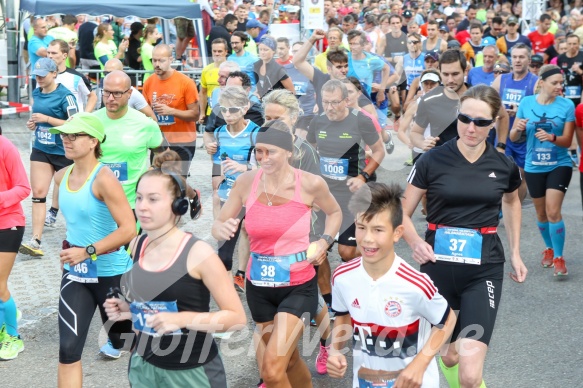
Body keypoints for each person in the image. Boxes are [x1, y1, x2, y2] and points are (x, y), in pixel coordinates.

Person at [403, 85, 527, 388]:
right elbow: (402, 213)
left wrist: (515, 252)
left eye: (481, 122)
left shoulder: (503, 164)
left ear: (494, 121)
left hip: (483, 270)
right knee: (448, 358)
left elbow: (511, 202)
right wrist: (415, 242)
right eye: (464, 119)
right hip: (437, 268)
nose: (471, 128)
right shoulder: (430, 161)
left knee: (470, 375)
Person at [212, 122, 342, 387]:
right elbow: (218, 224)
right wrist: (221, 227)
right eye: (258, 152)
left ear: (289, 152)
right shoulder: (246, 181)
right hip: (258, 287)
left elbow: (335, 213)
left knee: (270, 371)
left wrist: (325, 242)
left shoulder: (309, 184)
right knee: (289, 361)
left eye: (270, 152)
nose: (263, 158)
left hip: (297, 285)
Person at [103, 168, 245, 386]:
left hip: (192, 371)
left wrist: (181, 319)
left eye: (153, 199)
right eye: (139, 197)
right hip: (143, 366)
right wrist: (128, 310)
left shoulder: (199, 253)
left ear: (177, 206)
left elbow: (236, 319)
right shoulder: (137, 245)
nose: (142, 206)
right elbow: (152, 306)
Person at [327, 183, 456, 387]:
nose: (367, 239)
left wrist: (419, 365)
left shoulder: (416, 284)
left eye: (378, 230)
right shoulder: (342, 277)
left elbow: (448, 320)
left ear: (397, 233)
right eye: (361, 227)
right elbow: (342, 315)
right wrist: (335, 349)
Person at [50, 112, 136, 387]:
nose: (67, 140)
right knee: (68, 349)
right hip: (75, 274)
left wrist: (87, 250)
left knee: (126, 342)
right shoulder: (61, 176)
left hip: (112, 277)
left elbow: (128, 229)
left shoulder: (104, 179)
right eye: (65, 135)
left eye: (74, 136)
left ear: (93, 141)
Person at [307, 80, 386, 262]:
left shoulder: (361, 120)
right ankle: (327, 292)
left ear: (346, 101)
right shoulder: (317, 121)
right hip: (325, 192)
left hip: (351, 193)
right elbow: (310, 153)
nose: (329, 107)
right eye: (325, 102)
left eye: (334, 102)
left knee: (347, 252)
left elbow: (379, 151)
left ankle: (364, 270)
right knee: (315, 249)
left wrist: (363, 177)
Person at [510, 65, 575, 276]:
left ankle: (558, 256)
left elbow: (568, 142)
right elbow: (512, 137)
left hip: (559, 164)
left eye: (561, 83)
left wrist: (552, 138)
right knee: (540, 212)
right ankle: (548, 247)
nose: (559, 86)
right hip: (533, 166)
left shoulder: (566, 106)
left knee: (553, 211)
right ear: (542, 83)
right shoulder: (526, 103)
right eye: (554, 82)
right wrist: (517, 128)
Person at [19, 58, 78, 257]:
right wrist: (34, 124)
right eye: (36, 75)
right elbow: (38, 117)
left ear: (54, 73)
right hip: (41, 148)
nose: (39, 78)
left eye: (43, 75)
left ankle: (77, 237)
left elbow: (75, 124)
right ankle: (35, 240)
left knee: (70, 195)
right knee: (38, 192)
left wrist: (47, 120)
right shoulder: (36, 92)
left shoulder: (66, 96)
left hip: (64, 151)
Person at [94, 71, 165, 222]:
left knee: (128, 246)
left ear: (130, 93)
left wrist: (151, 174)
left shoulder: (145, 124)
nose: (111, 98)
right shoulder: (91, 122)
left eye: (117, 93)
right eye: (106, 92)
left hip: (131, 203)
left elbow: (164, 155)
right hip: (97, 201)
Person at [410, 50, 509, 155]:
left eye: (455, 74)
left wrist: (501, 147)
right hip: (444, 162)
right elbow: (415, 132)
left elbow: (503, 116)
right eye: (445, 74)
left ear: (465, 71)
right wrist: (422, 143)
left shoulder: (482, 95)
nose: (450, 80)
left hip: (478, 163)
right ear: (439, 71)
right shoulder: (429, 100)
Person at [210, 86, 261, 277]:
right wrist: (216, 182)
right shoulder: (219, 133)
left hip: (253, 194)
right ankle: (227, 282)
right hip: (230, 194)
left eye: (233, 110)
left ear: (244, 108)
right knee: (224, 245)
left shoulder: (256, 132)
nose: (228, 114)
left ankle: (241, 274)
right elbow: (217, 161)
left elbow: (267, 169)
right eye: (224, 110)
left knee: (247, 232)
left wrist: (245, 169)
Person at [492, 43, 539, 203]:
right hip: (503, 136)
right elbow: (488, 103)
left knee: (520, 175)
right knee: (500, 172)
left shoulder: (535, 82)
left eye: (521, 57)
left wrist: (520, 111)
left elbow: (542, 111)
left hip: (524, 139)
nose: (517, 60)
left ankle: (515, 207)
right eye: (515, 57)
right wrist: (500, 112)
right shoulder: (501, 80)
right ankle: (499, 207)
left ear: (529, 59)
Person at [143, 44, 200, 176]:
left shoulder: (185, 82)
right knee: (158, 179)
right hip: (160, 141)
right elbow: (145, 112)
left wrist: (171, 111)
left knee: (178, 181)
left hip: (183, 140)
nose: (157, 64)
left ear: (171, 60)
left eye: (161, 60)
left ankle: (191, 195)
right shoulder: (149, 82)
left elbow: (195, 114)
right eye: (154, 60)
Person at [0, 132, 31, 360]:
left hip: (8, 222)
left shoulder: (5, 147)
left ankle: (13, 338)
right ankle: (8, 310)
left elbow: (23, 188)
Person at [46, 39, 97, 113]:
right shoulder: (43, 76)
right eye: (48, 53)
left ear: (64, 55)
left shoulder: (76, 76)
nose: (50, 56)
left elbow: (93, 96)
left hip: (72, 122)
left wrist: (84, 116)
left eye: (54, 53)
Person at [199, 38, 229, 124]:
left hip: (227, 113)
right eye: (214, 51)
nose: (216, 54)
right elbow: (203, 93)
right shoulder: (206, 70)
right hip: (210, 113)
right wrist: (202, 113)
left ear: (226, 52)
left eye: (220, 51)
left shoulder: (233, 68)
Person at [28, 18, 55, 89]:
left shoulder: (50, 37)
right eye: (43, 27)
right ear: (35, 29)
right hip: (39, 78)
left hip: (52, 76)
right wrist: (57, 51)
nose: (46, 29)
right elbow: (44, 53)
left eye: (47, 27)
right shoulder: (33, 41)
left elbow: (61, 48)